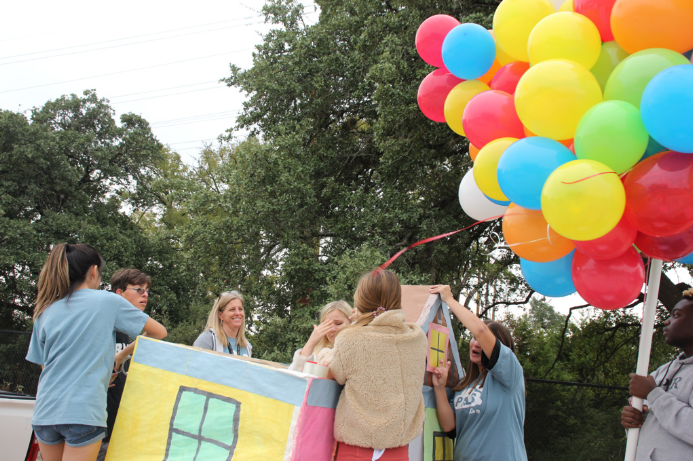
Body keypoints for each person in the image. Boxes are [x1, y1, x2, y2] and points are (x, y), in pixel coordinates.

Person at [25, 244, 167, 461]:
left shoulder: (45, 309)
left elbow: (45, 367)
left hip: (45, 412)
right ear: (93, 271)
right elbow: (159, 332)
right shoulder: (107, 301)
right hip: (83, 412)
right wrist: (120, 356)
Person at [329, 269, 427, 461]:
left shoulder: (350, 339)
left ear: (360, 301)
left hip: (356, 450)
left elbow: (333, 373)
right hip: (399, 451)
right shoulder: (417, 338)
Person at [430, 284, 527, 461]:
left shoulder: (510, 374)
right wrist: (439, 388)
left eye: (481, 340)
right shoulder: (465, 385)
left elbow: (481, 330)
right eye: (473, 338)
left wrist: (449, 300)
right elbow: (450, 427)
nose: (476, 343)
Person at [621, 288, 693, 460]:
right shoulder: (660, 371)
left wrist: (654, 393)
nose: (667, 322)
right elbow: (649, 423)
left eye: (676, 315)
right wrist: (631, 420)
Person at [96, 269, 153, 461]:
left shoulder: (125, 331)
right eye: (138, 289)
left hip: (116, 430)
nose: (144, 294)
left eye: (147, 291)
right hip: (94, 429)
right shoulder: (102, 324)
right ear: (119, 293)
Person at [288, 300, 352, 372]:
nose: (332, 329)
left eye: (338, 323)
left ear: (351, 322)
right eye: (327, 325)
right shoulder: (320, 355)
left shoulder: (360, 350)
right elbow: (294, 375)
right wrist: (311, 343)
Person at [193, 290, 252, 357]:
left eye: (240, 309)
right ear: (220, 315)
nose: (238, 313)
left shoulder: (247, 347)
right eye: (232, 309)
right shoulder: (208, 340)